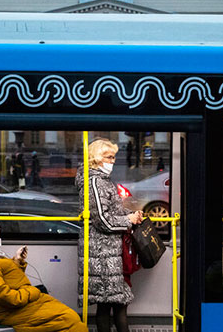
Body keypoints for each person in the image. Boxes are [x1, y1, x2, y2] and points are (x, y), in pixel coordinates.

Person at [0, 219, 86, 332]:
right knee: (68, 321)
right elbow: (8, 297)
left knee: (70, 317)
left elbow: (10, 280)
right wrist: (32, 291)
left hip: (20, 308)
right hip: (13, 312)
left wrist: (17, 261)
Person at [77, 138, 143, 332]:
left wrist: (130, 215)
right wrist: (128, 220)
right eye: (109, 157)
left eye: (114, 157)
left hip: (108, 253)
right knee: (114, 305)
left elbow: (109, 212)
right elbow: (102, 220)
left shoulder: (101, 181)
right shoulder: (95, 182)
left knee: (110, 304)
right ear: (97, 158)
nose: (112, 161)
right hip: (102, 254)